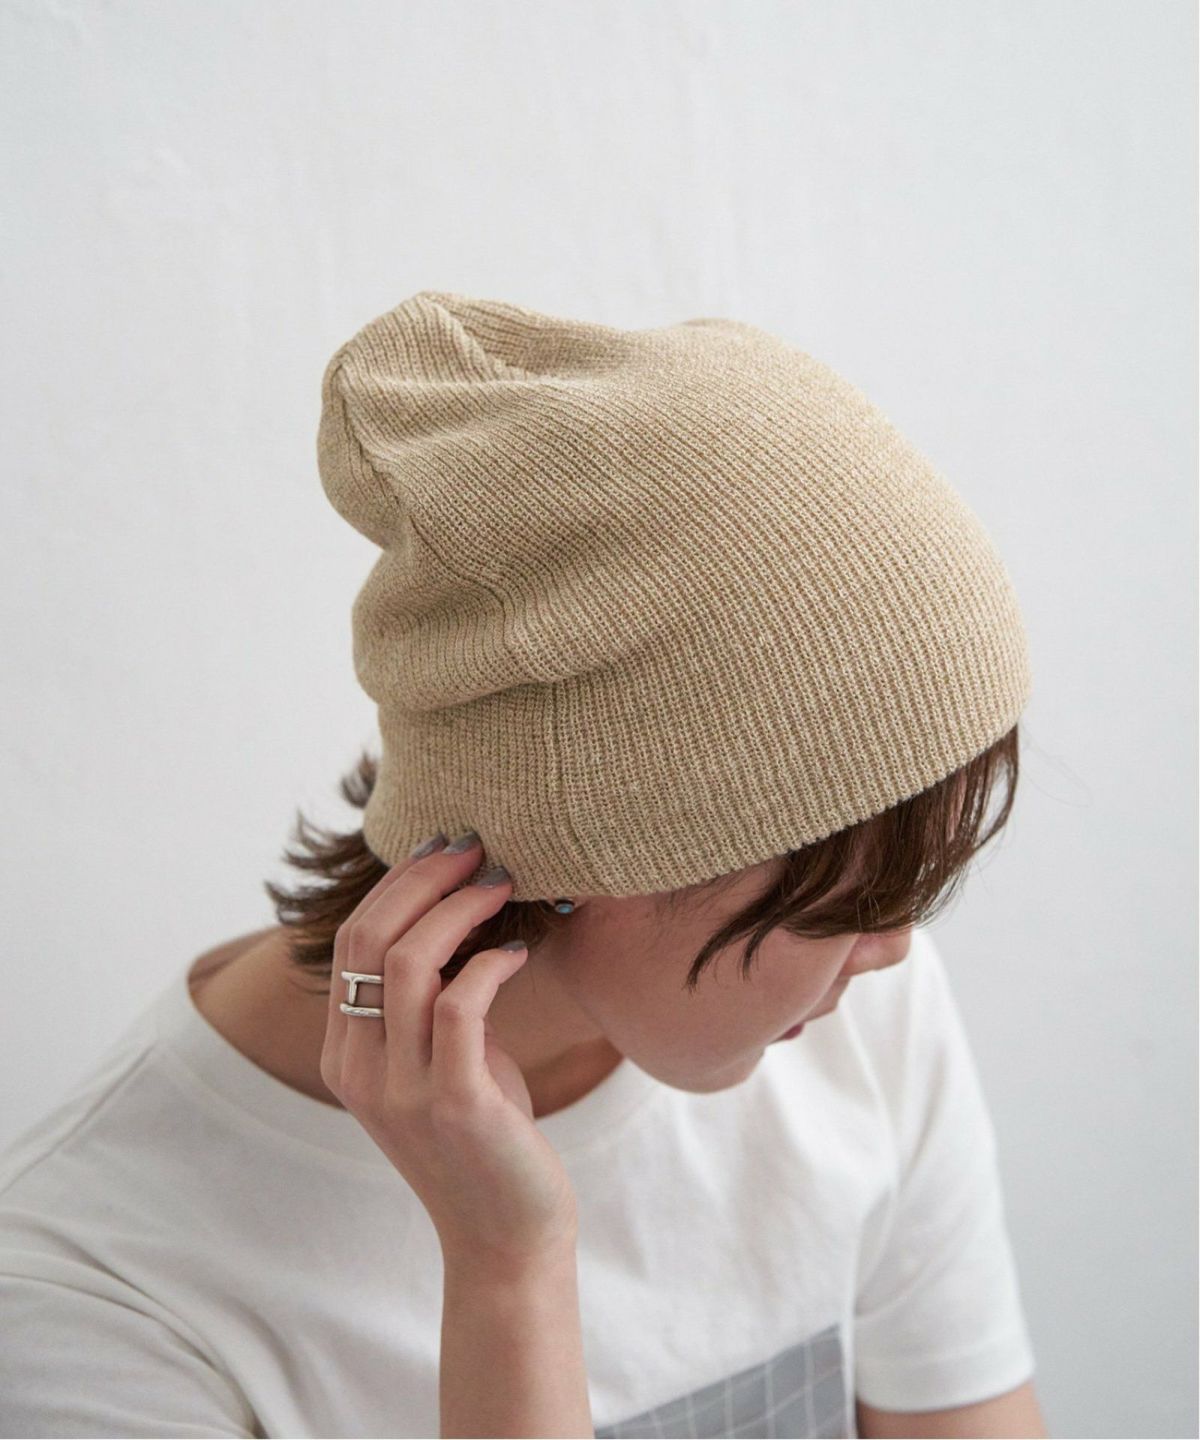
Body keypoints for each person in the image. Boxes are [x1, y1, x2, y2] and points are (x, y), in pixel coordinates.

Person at [0, 292, 1048, 1438]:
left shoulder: (854, 1029)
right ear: (594, 844)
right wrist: (508, 1271)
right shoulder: (97, 1302)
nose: (893, 946)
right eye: (850, 892)